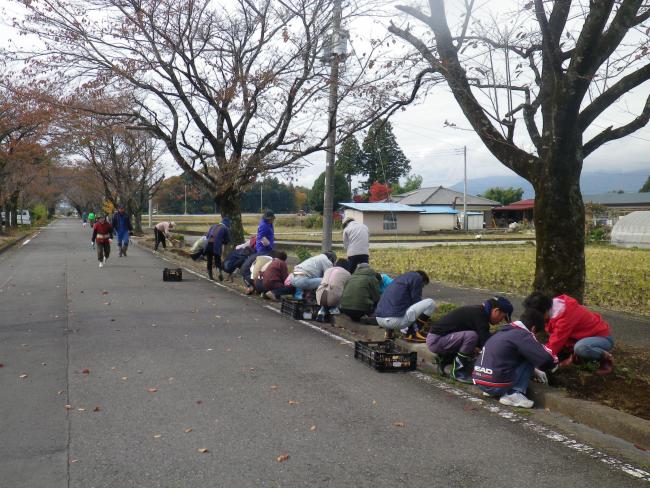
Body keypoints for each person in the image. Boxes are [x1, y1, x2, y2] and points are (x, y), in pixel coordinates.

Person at [473, 308, 558, 408]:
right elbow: (545, 358)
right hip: (496, 384)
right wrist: (555, 364)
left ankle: (493, 391)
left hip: (480, 381)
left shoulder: (502, 331)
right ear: (533, 329)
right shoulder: (523, 334)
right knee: (529, 355)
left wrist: (534, 371)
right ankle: (513, 393)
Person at [523, 291, 614, 375]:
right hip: (579, 339)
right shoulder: (554, 307)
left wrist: (536, 362)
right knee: (558, 355)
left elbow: (554, 344)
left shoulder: (565, 318)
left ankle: (605, 358)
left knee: (581, 348)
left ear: (545, 311)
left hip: (601, 338)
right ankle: (578, 357)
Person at [426, 296, 513, 383]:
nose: (501, 321)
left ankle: (444, 359)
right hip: (437, 340)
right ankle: (457, 372)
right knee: (472, 337)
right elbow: (486, 343)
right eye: (503, 317)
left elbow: (482, 339)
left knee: (472, 347)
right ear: (496, 311)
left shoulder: (478, 312)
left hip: (441, 339)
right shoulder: (479, 315)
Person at [370, 271, 435, 343]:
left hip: (379, 319)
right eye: (423, 285)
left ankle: (389, 334)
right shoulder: (417, 278)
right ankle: (412, 334)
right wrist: (422, 316)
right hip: (395, 321)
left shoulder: (399, 279)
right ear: (423, 279)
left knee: (394, 306)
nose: (422, 287)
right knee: (430, 302)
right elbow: (416, 301)